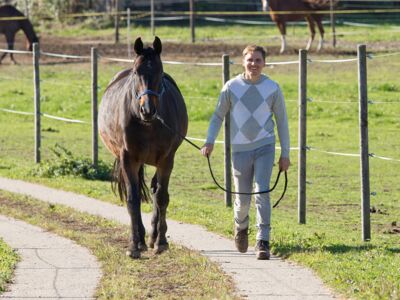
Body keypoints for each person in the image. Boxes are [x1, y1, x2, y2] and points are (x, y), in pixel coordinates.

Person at [200, 45, 290, 260]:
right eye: (250, 60)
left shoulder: (272, 88)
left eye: (258, 60)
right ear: (243, 62)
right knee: (242, 200)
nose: (254, 64)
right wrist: (209, 141)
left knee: (262, 191)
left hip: (265, 146)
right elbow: (217, 116)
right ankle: (241, 227)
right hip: (240, 150)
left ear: (264, 63)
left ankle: (263, 241)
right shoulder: (231, 87)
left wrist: (285, 154)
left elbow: (282, 122)